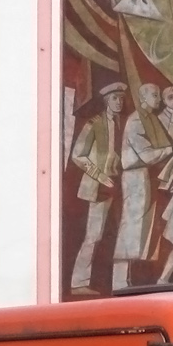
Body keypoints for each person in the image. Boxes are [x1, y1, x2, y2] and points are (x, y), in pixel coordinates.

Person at [112, 83, 173, 291]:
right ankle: (119, 280)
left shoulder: (150, 119)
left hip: (146, 177)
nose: (158, 99)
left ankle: (126, 281)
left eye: (159, 95)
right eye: (155, 95)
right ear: (143, 98)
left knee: (140, 229)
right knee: (130, 226)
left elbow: (162, 144)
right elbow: (147, 154)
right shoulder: (137, 120)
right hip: (135, 177)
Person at [68, 83, 126, 295]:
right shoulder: (94, 124)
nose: (119, 102)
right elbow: (78, 155)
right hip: (99, 186)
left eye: (121, 98)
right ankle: (78, 283)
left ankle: (119, 284)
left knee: (117, 233)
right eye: (114, 98)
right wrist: (100, 176)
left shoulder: (122, 124)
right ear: (106, 101)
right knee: (93, 235)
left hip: (119, 184)